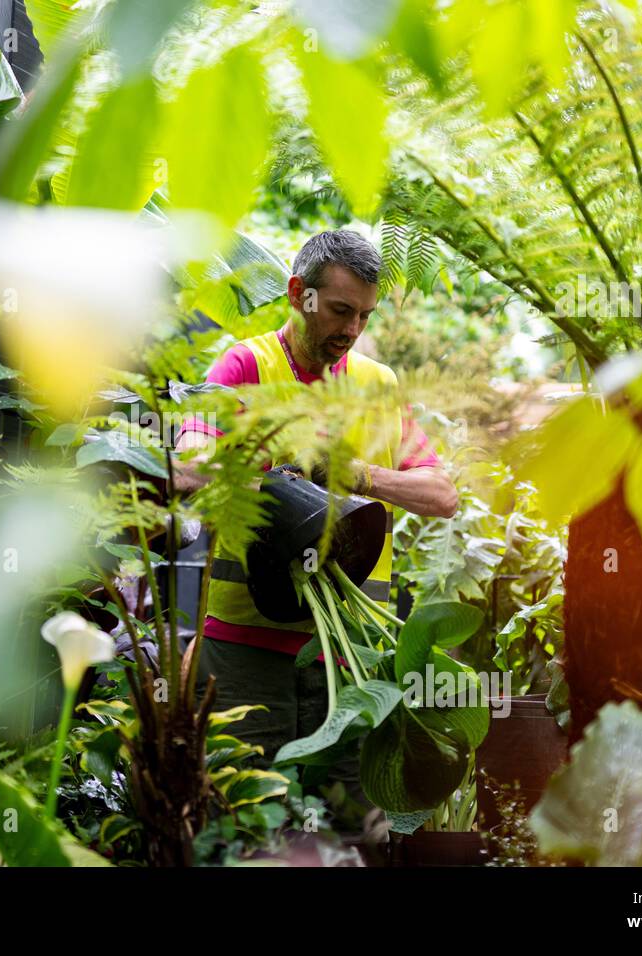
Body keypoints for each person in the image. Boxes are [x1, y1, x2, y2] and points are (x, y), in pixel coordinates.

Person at [172, 230, 458, 807]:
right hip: (247, 650)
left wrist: (355, 476)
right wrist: (272, 481)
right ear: (299, 293)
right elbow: (186, 466)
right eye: (340, 311)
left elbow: (441, 494)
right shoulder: (244, 366)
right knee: (246, 822)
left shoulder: (380, 385)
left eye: (364, 316)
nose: (351, 331)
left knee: (349, 827)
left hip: (349, 658)